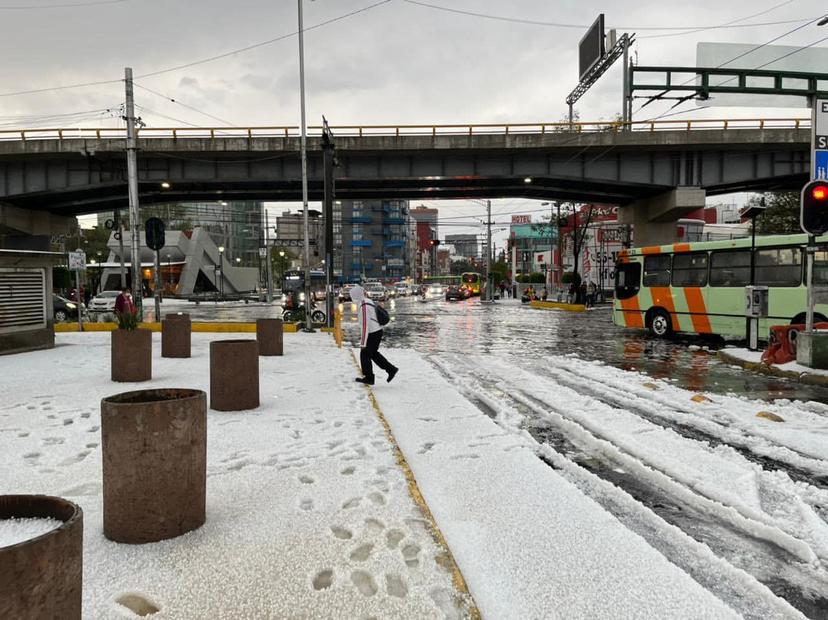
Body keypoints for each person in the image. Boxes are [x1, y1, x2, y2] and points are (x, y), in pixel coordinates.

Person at [351, 285, 398, 386]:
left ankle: (369, 378)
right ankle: (391, 369)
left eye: (353, 297)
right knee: (373, 354)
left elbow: (365, 325)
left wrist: (363, 343)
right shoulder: (367, 301)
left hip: (373, 333)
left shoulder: (364, 305)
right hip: (376, 331)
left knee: (365, 354)